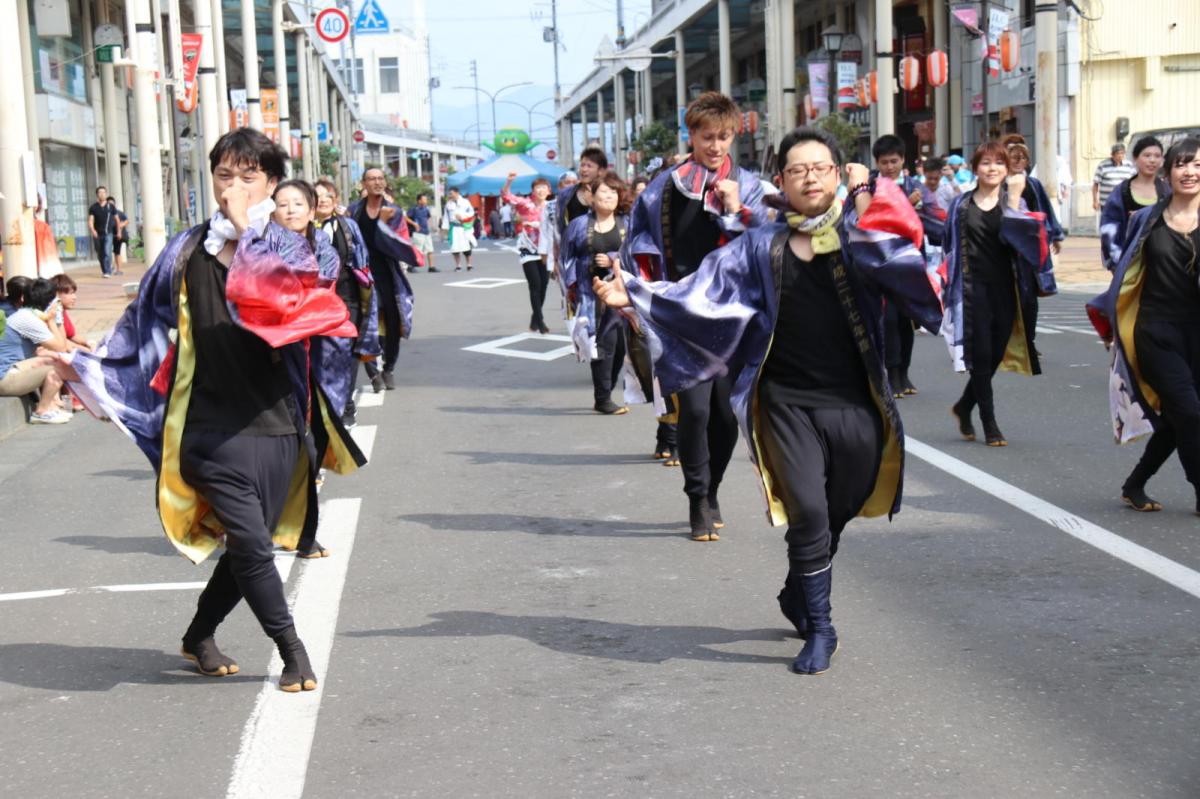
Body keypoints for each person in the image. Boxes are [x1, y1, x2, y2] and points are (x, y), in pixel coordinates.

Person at [596, 126, 942, 674]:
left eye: (821, 168)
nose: (810, 177)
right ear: (780, 180)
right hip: (783, 400)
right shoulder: (761, 245)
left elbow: (915, 263)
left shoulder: (862, 237)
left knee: (840, 507)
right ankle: (821, 627)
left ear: (837, 175)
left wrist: (869, 198)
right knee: (807, 510)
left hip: (857, 401)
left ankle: (796, 587)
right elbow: (701, 291)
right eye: (798, 169)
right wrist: (634, 296)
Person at [59, 128, 365, 692]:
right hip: (208, 427)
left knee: (250, 543)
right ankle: (292, 652)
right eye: (224, 175)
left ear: (272, 185)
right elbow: (140, 331)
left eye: (249, 176)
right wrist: (89, 371)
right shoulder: (184, 251)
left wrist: (251, 233)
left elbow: (285, 307)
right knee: (250, 543)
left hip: (276, 421)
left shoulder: (294, 248)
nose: (234, 187)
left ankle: (199, 634)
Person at [622, 91, 766, 540]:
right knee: (696, 412)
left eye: (724, 138)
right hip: (680, 312)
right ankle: (696, 498)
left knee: (727, 415)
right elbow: (637, 245)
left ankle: (714, 488)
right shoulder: (664, 186)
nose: (716, 146)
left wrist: (736, 209)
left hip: (732, 315)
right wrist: (637, 299)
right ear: (692, 135)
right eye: (708, 137)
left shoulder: (749, 184)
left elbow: (766, 240)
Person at [1086, 138, 1200, 513]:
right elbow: (1123, 276)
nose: (1190, 171)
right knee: (1189, 412)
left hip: (1196, 332)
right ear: (1168, 172)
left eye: (1197, 164)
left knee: (1174, 419)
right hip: (1155, 330)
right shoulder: (1147, 220)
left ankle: (1134, 484)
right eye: (1182, 164)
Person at [942, 142, 1054, 447]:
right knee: (980, 355)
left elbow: (1032, 243)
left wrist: (1016, 200)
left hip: (1008, 289)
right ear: (975, 168)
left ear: (1007, 169)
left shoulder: (1014, 203)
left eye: (999, 163)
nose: (992, 169)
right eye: (986, 163)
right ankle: (989, 423)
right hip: (971, 289)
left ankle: (964, 405)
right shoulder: (961, 205)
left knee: (994, 354)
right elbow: (948, 246)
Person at [561, 172, 632, 415]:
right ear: (592, 197)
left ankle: (606, 390)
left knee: (621, 347)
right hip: (591, 295)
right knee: (602, 345)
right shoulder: (578, 225)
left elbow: (637, 255)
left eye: (614, 192)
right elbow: (566, 258)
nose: (609, 196)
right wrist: (571, 290)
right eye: (604, 192)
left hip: (622, 295)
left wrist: (614, 258)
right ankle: (602, 398)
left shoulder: (628, 223)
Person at [315, 178, 381, 430]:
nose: (321, 200)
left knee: (348, 352)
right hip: (314, 304)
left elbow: (361, 260)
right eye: (317, 196)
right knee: (320, 355)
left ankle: (346, 404)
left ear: (335, 201)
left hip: (347, 299)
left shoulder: (348, 226)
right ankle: (325, 404)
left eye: (327, 196)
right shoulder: (301, 228)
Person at [349, 167, 419, 392]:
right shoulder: (354, 211)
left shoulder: (394, 211)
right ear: (364, 184)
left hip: (387, 273)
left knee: (391, 321)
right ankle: (372, 372)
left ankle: (389, 367)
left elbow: (398, 243)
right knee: (363, 323)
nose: (377, 182)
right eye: (371, 179)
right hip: (361, 273)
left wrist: (382, 223)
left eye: (380, 178)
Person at [873, 134, 924, 398]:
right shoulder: (871, 188)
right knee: (889, 320)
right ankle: (891, 374)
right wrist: (907, 205)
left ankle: (904, 372)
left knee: (906, 322)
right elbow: (870, 220)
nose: (889, 167)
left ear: (903, 160)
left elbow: (928, 222)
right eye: (884, 162)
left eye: (894, 161)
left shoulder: (916, 186)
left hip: (910, 265)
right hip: (882, 264)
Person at [0, 277, 73, 423]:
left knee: (52, 358)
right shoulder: (29, 319)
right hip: (5, 378)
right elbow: (61, 347)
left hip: (10, 371)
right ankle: (42, 411)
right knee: (59, 365)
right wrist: (52, 320)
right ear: (49, 302)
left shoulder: (25, 314)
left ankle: (51, 407)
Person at [1100, 136, 1169, 272]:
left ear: (1162, 161)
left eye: (1157, 156)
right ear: (1135, 158)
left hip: (1163, 264)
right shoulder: (1121, 192)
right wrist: (1117, 262)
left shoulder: (1168, 191)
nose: (1152, 160)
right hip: (1130, 264)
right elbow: (1109, 229)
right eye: (1147, 155)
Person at [501, 172, 553, 334]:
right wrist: (509, 181)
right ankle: (540, 321)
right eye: (538, 188)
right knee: (535, 284)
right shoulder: (526, 204)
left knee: (544, 285)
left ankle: (534, 319)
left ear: (549, 191)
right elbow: (506, 196)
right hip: (528, 247)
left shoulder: (552, 206)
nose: (541, 190)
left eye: (544, 187)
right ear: (533, 190)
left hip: (546, 249)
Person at [557, 147, 608, 238]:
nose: (584, 170)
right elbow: (559, 225)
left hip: (599, 246)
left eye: (589, 166)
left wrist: (593, 205)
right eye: (582, 165)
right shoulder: (565, 194)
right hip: (571, 246)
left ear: (600, 171)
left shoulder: (609, 194)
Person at [1093, 143, 1138, 221]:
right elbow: (1095, 184)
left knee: (1124, 225)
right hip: (1107, 203)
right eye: (1118, 154)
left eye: (1122, 153)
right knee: (1109, 226)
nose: (1120, 156)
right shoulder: (1103, 165)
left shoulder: (1129, 165)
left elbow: (1136, 182)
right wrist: (1095, 201)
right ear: (1112, 154)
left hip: (1124, 202)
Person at [49, 274, 94, 352]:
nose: (74, 297)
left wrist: (89, 343)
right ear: (57, 294)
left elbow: (72, 335)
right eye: (70, 293)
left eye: (74, 293)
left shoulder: (62, 310)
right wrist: (89, 351)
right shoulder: (52, 313)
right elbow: (64, 343)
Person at [443, 186, 476, 271]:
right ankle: (458, 265)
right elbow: (446, 217)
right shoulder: (448, 204)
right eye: (449, 193)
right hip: (453, 227)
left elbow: (471, 212)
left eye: (451, 193)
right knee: (454, 247)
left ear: (457, 193)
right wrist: (445, 229)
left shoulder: (465, 202)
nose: (450, 195)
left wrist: (463, 217)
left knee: (467, 246)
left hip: (463, 227)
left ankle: (469, 264)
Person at [406, 193, 438, 272]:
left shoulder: (426, 209)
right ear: (419, 200)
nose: (426, 201)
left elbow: (428, 217)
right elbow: (406, 218)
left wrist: (429, 226)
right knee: (417, 250)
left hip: (426, 232)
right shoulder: (414, 209)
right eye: (424, 199)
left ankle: (431, 267)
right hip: (418, 233)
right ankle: (411, 266)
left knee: (430, 249)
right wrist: (415, 224)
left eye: (426, 199)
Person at [88, 187, 115, 278]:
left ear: (106, 194)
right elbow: (91, 221)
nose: (102, 194)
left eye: (104, 192)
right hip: (97, 234)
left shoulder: (110, 206)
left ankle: (108, 271)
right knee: (100, 254)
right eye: (100, 192)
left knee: (107, 252)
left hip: (108, 233)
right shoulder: (93, 207)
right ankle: (105, 270)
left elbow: (117, 219)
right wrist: (93, 230)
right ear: (97, 194)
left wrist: (119, 231)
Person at [108, 196, 129, 276]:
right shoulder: (106, 214)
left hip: (117, 235)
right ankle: (109, 267)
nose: (111, 206)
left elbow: (127, 220)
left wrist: (121, 225)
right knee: (107, 252)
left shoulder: (119, 213)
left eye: (112, 204)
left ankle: (119, 269)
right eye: (109, 204)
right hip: (108, 235)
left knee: (117, 252)